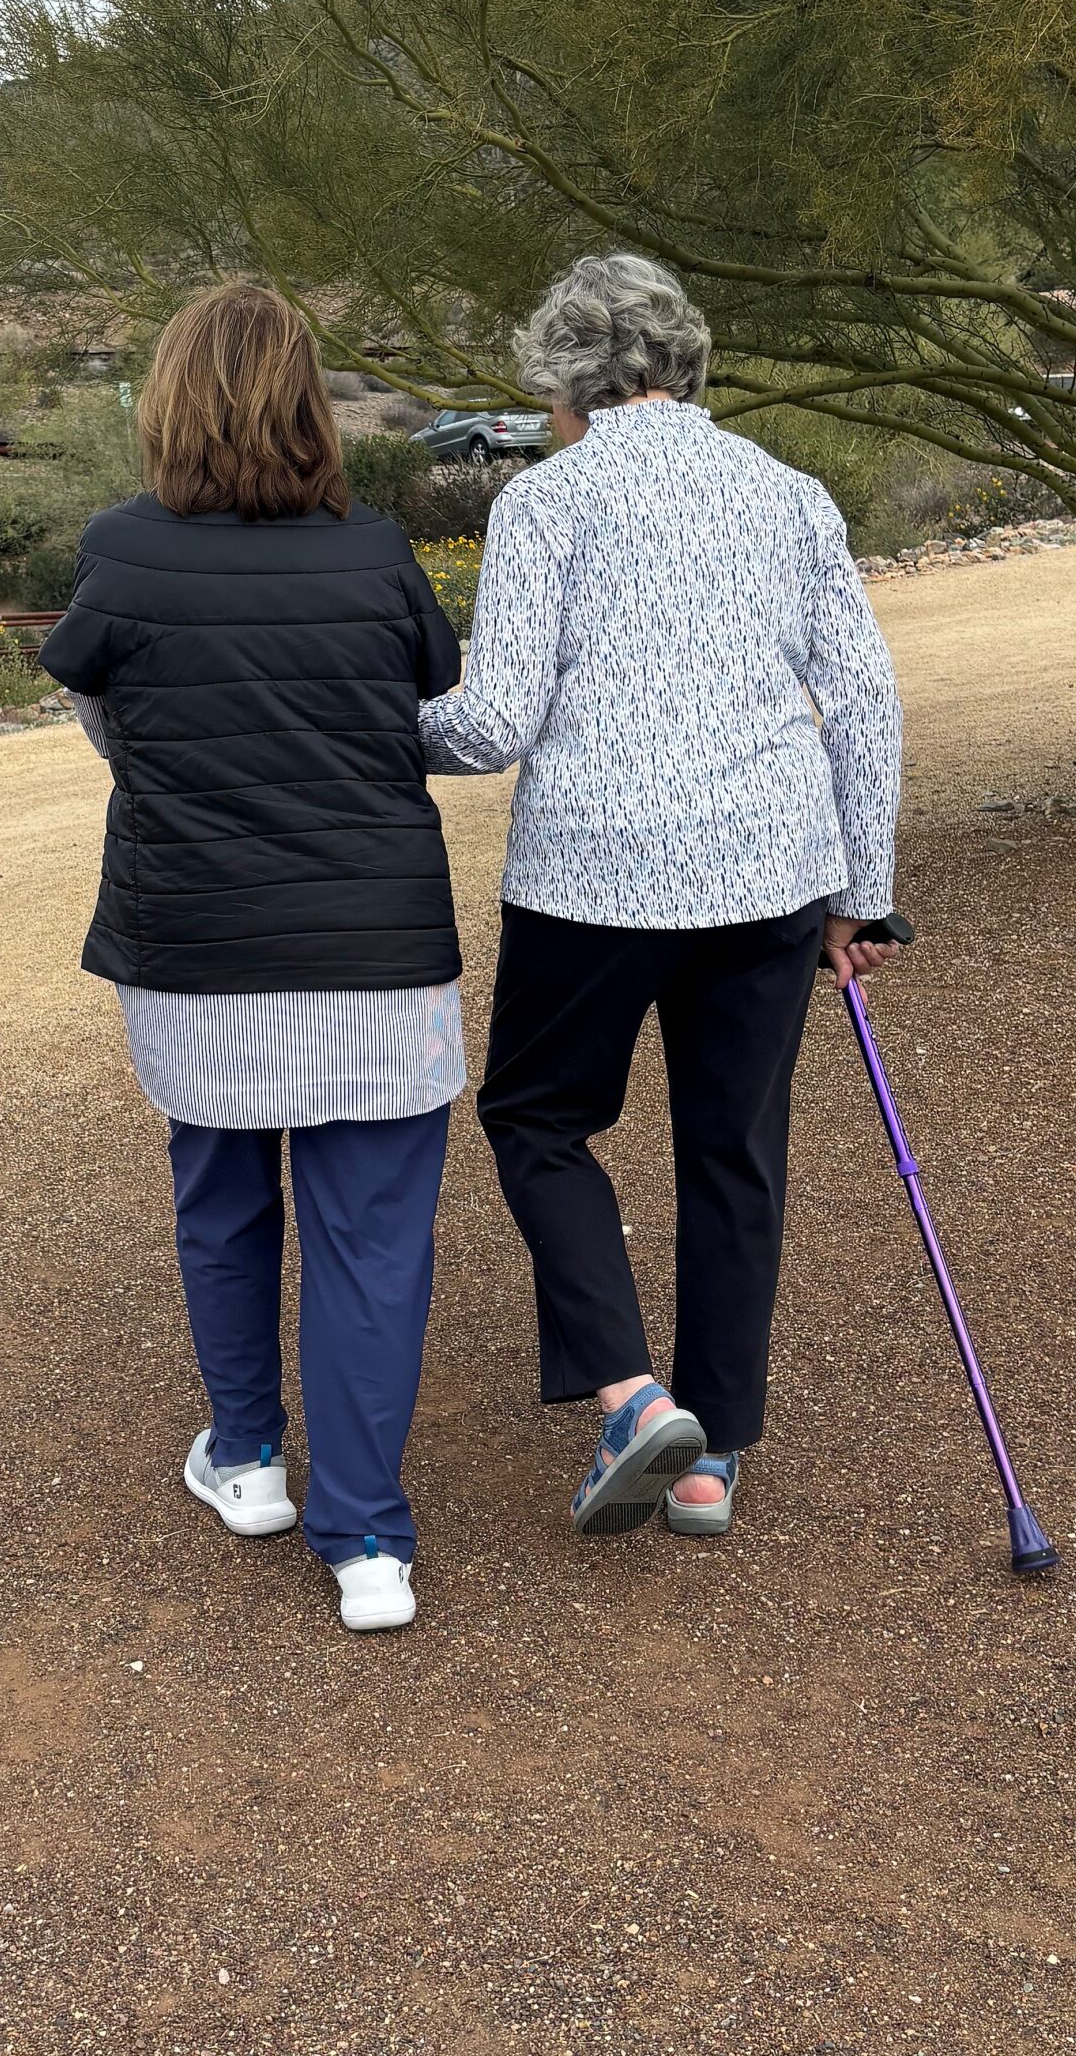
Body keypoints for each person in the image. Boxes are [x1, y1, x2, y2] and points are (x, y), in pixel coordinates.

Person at [420, 252, 904, 1538]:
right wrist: (862, 893)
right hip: (770, 870)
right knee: (733, 1149)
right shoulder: (788, 492)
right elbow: (863, 697)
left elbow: (493, 722)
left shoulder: (546, 500)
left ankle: (633, 1395)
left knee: (536, 1115)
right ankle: (709, 1458)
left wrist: (379, 730)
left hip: (593, 874)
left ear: (567, 376)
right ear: (682, 361)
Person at [39, 282, 464, 1633]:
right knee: (373, 1242)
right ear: (309, 405)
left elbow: (106, 722)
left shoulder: (122, 552)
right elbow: (424, 700)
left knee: (221, 1197)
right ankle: (368, 1541)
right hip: (377, 946)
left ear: (167, 401)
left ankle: (246, 1460)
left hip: (197, 940)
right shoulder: (375, 550)